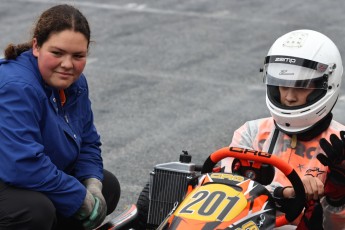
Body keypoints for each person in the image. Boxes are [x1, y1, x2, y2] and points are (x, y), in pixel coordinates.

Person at [0, 4, 120, 230]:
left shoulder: (74, 82)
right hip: (9, 176)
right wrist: (78, 197)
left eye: (78, 56)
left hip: (22, 176)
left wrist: (92, 184)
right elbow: (23, 165)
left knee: (107, 186)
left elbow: (87, 141)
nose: (67, 64)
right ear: (36, 46)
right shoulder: (16, 87)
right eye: (57, 53)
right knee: (33, 211)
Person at [221, 29, 345, 229]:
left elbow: (335, 224)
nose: (289, 97)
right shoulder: (251, 133)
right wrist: (285, 194)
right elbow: (228, 192)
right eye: (282, 85)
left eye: (301, 86)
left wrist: (338, 197)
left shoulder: (340, 144)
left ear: (327, 85)